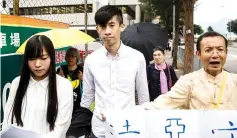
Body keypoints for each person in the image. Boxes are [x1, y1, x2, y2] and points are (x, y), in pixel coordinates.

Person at [80, 5, 150, 138]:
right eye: (102, 26)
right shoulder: (91, 60)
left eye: (112, 25)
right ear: (97, 29)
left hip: (127, 128)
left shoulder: (137, 58)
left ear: (121, 26)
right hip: (99, 129)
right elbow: (87, 98)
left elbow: (143, 97)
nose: (107, 31)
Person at [142, 31, 237, 110]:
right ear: (198, 54)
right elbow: (163, 103)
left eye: (220, 50)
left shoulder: (234, 81)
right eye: (208, 50)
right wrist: (135, 113)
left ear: (226, 53)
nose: (215, 55)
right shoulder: (188, 81)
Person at [2, 35, 74, 138]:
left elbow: (60, 130)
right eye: (32, 59)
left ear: (51, 58)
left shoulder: (63, 86)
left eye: (43, 58)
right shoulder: (17, 83)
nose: (37, 64)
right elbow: (8, 120)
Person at [57, 47, 83, 113]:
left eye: (73, 56)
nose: (70, 58)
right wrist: (58, 78)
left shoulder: (82, 70)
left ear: (77, 58)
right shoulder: (61, 69)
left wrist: (83, 79)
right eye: (68, 56)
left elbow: (89, 86)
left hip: (78, 104)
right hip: (64, 103)